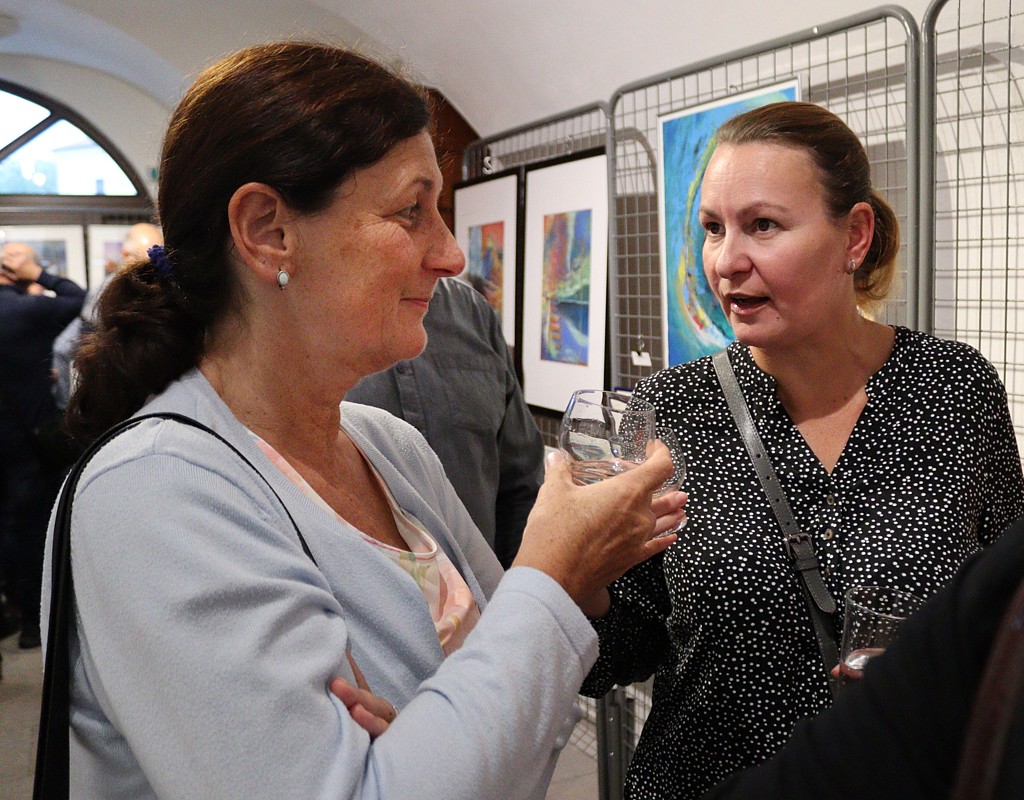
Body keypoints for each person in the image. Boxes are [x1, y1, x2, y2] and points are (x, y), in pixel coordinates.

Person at [47, 41, 684, 800]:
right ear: (268, 230)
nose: (451, 255)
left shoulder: (391, 448)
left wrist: (424, 740)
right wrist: (551, 575)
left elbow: (513, 727)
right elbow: (478, 719)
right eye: (411, 211)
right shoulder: (155, 492)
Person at [578, 102, 1024, 799]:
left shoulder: (954, 388)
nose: (725, 261)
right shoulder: (670, 409)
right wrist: (572, 573)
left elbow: (1007, 608)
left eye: (763, 225)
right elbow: (619, 645)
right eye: (712, 228)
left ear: (855, 235)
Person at [704, 459, 1024, 799]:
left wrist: (922, 666)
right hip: (708, 766)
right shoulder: (679, 400)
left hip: (912, 758)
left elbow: (1003, 595)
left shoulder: (958, 384)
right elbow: (642, 642)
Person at [346, 276, 542, 568]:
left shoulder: (472, 311)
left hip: (485, 590)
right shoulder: (303, 316)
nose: (455, 262)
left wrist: (513, 587)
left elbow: (520, 483)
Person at [0, 241, 86, 651]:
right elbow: (81, 299)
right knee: (35, 529)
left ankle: (10, 610)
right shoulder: (25, 311)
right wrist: (38, 275)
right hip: (29, 444)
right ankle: (36, 623)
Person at [50, 223, 163, 408]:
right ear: (126, 255)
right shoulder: (111, 291)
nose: (154, 266)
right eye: (148, 258)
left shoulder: (155, 289)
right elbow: (71, 346)